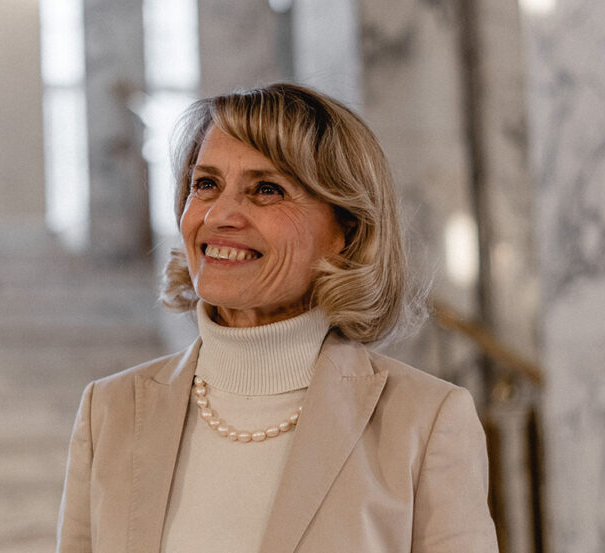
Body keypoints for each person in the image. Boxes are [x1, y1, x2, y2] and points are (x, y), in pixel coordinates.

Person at [56, 83, 498, 553]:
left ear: (345, 232)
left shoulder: (426, 422)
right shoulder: (109, 410)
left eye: (266, 190)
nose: (220, 215)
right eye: (205, 184)